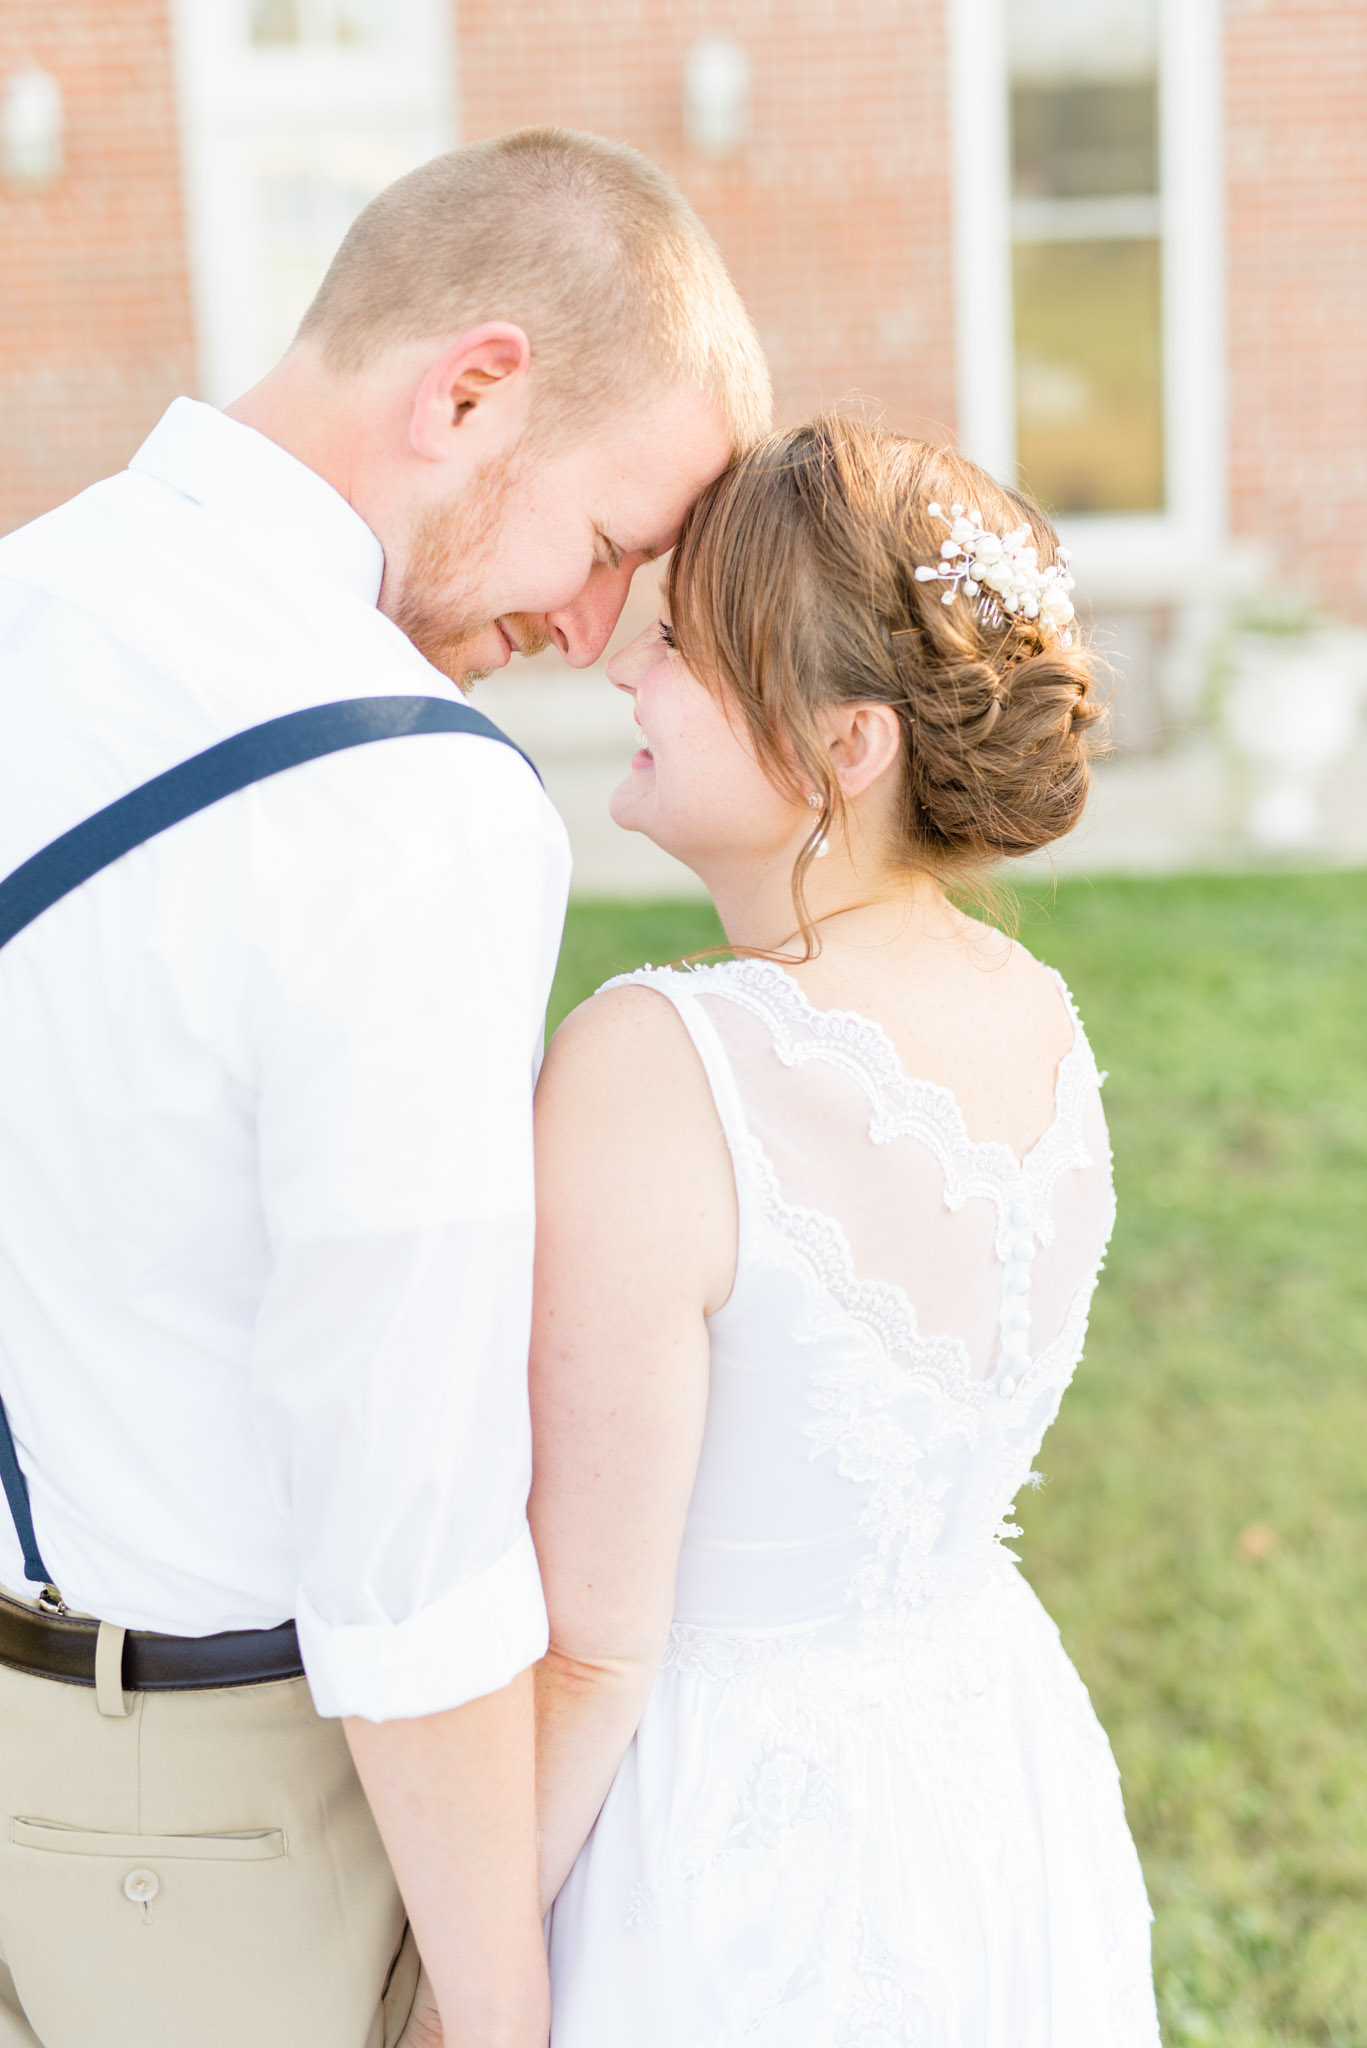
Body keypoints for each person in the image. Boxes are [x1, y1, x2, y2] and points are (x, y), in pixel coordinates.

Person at [0, 128, 769, 2048]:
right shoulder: (408, 798)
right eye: (606, 548)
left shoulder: (31, 606)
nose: (594, 636)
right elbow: (407, 1508)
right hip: (239, 1818)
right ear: (473, 387)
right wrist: (498, 2010)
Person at [531, 418, 1162, 2044]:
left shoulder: (658, 1067)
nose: (621, 671)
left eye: (677, 645)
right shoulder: (1037, 1014)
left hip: (728, 1849)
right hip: (987, 1775)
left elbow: (593, 1652)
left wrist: (450, 1971)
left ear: (849, 741)